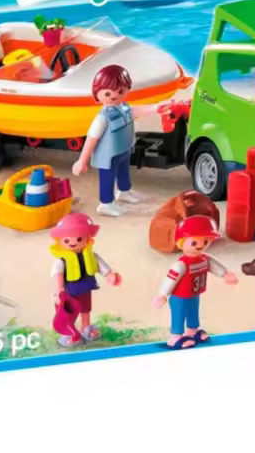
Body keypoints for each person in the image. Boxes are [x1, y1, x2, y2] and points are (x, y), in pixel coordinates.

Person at [72, 64, 166, 216]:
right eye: (108, 93)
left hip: (123, 149)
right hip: (107, 155)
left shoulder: (125, 108)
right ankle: (106, 204)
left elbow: (137, 110)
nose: (114, 95)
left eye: (120, 91)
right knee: (107, 178)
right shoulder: (102, 118)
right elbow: (92, 138)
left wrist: (155, 108)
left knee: (123, 172)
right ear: (97, 93)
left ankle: (124, 191)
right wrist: (82, 160)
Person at [153, 216, 238, 349]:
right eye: (194, 243)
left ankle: (192, 331)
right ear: (181, 242)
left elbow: (215, 266)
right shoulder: (181, 265)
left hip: (194, 293)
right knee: (179, 315)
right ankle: (175, 337)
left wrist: (225, 274)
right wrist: (162, 294)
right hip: (179, 297)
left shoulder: (204, 259)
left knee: (193, 312)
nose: (200, 246)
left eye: (205, 241)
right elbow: (171, 279)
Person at [49, 213, 121, 347]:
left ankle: (85, 327)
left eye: (79, 239)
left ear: (87, 238)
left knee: (85, 309)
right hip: (68, 292)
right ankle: (68, 332)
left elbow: (100, 266)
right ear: (60, 241)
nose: (73, 243)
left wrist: (109, 275)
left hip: (85, 289)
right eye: (67, 241)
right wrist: (59, 291)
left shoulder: (91, 256)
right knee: (68, 312)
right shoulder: (61, 261)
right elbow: (58, 274)